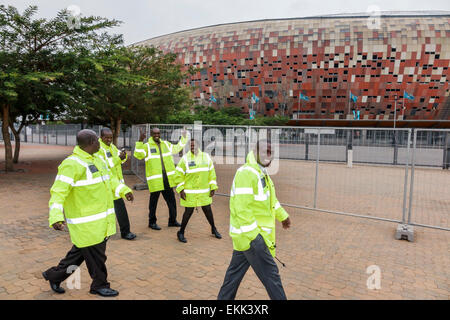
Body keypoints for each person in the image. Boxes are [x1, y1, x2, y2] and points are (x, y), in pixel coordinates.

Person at [42, 129, 134, 297]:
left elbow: (109, 180)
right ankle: (99, 285)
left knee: (78, 256)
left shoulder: (98, 159)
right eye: (98, 141)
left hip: (100, 222)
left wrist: (124, 190)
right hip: (86, 224)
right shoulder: (71, 164)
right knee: (97, 258)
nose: (101, 143)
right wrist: (56, 216)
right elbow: (58, 192)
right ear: (92, 142)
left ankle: (54, 276)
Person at [217, 139, 291, 300]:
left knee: (233, 277)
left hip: (248, 238)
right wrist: (255, 238)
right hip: (253, 237)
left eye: (271, 152)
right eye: (265, 151)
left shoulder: (260, 172)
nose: (268, 155)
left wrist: (283, 216)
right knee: (272, 277)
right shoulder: (247, 173)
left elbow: (271, 202)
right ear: (255, 151)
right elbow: (241, 208)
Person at [133, 127, 187, 230]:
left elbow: (177, 148)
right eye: (154, 133)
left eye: (158, 133)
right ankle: (152, 222)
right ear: (151, 134)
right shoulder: (147, 146)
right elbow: (138, 155)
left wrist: (183, 137)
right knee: (153, 203)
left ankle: (172, 220)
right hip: (156, 180)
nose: (157, 135)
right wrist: (140, 140)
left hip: (167, 178)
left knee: (171, 201)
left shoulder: (166, 144)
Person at [174, 138, 222, 243]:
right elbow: (178, 175)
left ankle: (213, 228)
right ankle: (181, 232)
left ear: (198, 146)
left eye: (194, 145)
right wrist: (181, 189)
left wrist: (213, 187)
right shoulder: (185, 159)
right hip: (190, 192)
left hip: (203, 191)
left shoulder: (206, 157)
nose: (193, 147)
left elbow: (211, 173)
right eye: (191, 146)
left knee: (208, 210)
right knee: (188, 212)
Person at [96, 128, 136, 240]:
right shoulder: (98, 149)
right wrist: (118, 159)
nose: (109, 139)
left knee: (120, 209)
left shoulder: (112, 147)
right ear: (101, 137)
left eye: (111, 137)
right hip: (105, 185)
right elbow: (104, 165)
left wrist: (123, 156)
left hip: (115, 185)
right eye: (106, 137)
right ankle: (102, 233)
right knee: (103, 211)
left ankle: (126, 232)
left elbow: (120, 159)